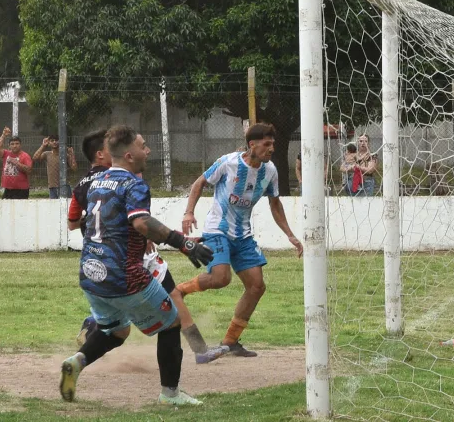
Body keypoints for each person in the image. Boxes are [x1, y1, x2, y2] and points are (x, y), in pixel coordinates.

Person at [59, 124, 215, 406]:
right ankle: (170, 395)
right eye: (143, 146)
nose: (148, 150)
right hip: (124, 276)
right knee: (171, 323)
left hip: (90, 274)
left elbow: (83, 222)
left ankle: (77, 361)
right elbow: (141, 222)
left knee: (117, 332)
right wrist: (184, 243)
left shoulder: (95, 182)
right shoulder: (134, 184)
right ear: (130, 155)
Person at [178, 123, 304, 357]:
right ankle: (179, 290)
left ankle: (231, 341)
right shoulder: (228, 162)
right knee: (221, 278)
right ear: (252, 145)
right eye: (267, 144)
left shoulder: (270, 171)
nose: (271, 149)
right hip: (218, 230)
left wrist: (290, 234)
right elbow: (199, 183)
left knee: (256, 286)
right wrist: (189, 212)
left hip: (243, 235)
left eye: (273, 144)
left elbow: (275, 203)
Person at [34, 134, 78, 199]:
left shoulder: (65, 155)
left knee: (67, 205)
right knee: (53, 205)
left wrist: (72, 154)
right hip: (52, 187)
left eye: (56, 140)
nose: (54, 142)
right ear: (49, 143)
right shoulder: (47, 154)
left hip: (64, 187)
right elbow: (35, 158)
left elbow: (74, 168)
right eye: (52, 140)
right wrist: (43, 145)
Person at [0, 127, 32, 199]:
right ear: (9, 146)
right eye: (12, 144)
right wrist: (3, 135)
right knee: (5, 205)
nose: (15, 146)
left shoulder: (25, 156)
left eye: (17, 143)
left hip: (21, 189)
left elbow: (29, 170)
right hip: (8, 188)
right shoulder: (6, 153)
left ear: (20, 145)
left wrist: (17, 163)